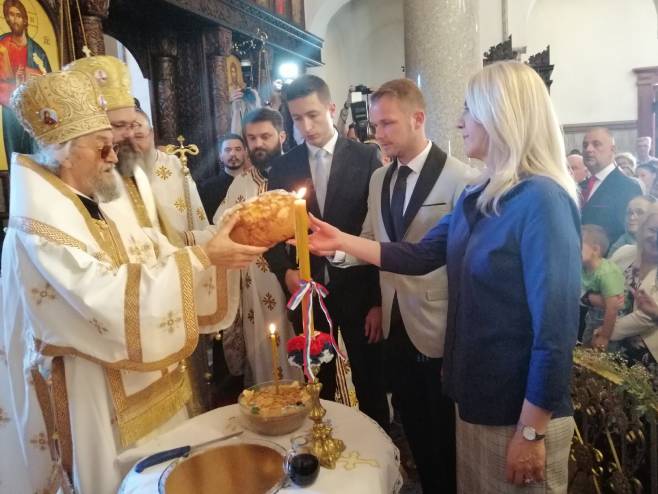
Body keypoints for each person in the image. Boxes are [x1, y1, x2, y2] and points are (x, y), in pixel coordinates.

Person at [304, 61, 580, 492]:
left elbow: (556, 331)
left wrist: (532, 429)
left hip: (516, 407)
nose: (458, 120)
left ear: (502, 114)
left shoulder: (541, 199)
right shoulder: (479, 194)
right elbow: (417, 256)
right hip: (472, 394)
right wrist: (339, 239)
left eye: (469, 110)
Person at [1, 69, 266, 494]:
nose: (113, 155)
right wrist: (202, 257)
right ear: (65, 153)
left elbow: (154, 251)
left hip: (147, 377)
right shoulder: (41, 227)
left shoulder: (97, 197)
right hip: (95, 387)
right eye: (101, 145)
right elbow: (102, 297)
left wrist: (217, 243)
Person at [331, 78, 478, 493]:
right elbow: (371, 239)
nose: (377, 134)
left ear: (418, 119)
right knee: (412, 424)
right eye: (375, 125)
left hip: (438, 322)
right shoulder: (379, 179)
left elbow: (462, 265)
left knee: (445, 434)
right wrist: (335, 253)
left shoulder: (460, 178)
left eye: (387, 124)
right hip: (395, 322)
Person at [264, 74, 389, 430]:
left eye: (314, 115)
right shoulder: (284, 167)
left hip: (361, 291)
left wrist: (379, 301)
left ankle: (380, 454)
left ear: (332, 109)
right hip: (308, 291)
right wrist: (284, 272)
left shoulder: (366, 158)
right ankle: (325, 446)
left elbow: (379, 232)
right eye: (297, 118)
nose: (306, 126)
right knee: (318, 381)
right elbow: (273, 233)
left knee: (370, 380)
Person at [0, 0, 52, 166]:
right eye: (10, 15)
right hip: (10, 113)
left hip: (35, 114)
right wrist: (13, 82)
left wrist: (29, 75)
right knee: (15, 160)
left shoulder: (37, 51)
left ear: (25, 19)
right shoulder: (1, 45)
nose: (14, 20)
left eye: (18, 15)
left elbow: (49, 84)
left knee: (37, 160)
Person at [608, 205, 658, 375]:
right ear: (642, 228)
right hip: (605, 345)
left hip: (646, 358)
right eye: (653, 229)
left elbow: (647, 317)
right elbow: (600, 283)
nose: (656, 237)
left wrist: (606, 331)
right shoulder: (624, 252)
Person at [581, 127, 642, 244]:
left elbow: (628, 233)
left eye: (596, 144)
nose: (588, 149)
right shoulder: (580, 186)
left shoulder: (627, 186)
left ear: (612, 150)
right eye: (585, 145)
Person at [580, 225, 625, 348]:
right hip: (592, 316)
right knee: (587, 345)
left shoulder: (606, 273)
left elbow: (613, 308)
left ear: (595, 249)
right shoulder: (583, 268)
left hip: (610, 321)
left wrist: (605, 336)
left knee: (602, 350)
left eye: (578, 246)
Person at [198, 133, 248, 217]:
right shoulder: (207, 188)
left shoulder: (258, 181)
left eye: (238, 149)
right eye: (227, 150)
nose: (233, 154)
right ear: (220, 156)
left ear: (245, 153)